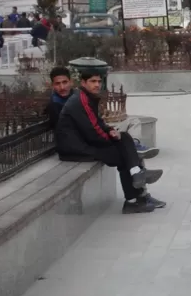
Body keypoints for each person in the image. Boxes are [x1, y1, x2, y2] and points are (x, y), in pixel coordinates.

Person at [55, 70, 165, 214]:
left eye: (99, 82)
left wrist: (110, 130)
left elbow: (98, 122)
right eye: (93, 81)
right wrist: (112, 138)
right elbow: (92, 131)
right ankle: (136, 193)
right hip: (74, 149)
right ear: (83, 83)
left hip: (82, 143)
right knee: (125, 154)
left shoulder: (86, 97)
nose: (97, 85)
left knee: (124, 139)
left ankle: (137, 183)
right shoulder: (80, 100)